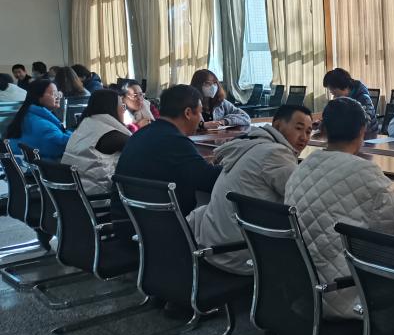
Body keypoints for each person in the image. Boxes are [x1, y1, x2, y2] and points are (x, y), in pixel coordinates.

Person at [285, 97, 394, 320]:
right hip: (343, 289)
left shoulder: (302, 166)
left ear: (323, 130)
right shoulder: (362, 172)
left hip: (302, 285)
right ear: (362, 131)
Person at [189, 105, 313, 274]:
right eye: (298, 128)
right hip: (240, 254)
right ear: (277, 125)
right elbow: (304, 200)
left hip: (212, 244)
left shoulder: (251, 144)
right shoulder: (275, 154)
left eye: (308, 131)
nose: (304, 137)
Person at [113, 84, 221, 218]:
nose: (201, 119)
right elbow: (210, 180)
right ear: (187, 113)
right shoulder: (175, 141)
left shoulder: (140, 135)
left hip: (131, 221)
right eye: (199, 112)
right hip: (165, 225)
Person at [61, 88, 131, 195]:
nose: (124, 110)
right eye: (122, 105)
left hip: (74, 195)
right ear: (112, 108)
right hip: (98, 198)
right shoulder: (111, 135)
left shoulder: (86, 125)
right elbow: (141, 149)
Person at [3, 78, 72, 159]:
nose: (58, 97)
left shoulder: (29, 115)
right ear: (38, 96)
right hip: (45, 165)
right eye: (53, 93)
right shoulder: (40, 123)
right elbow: (61, 146)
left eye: (58, 93)